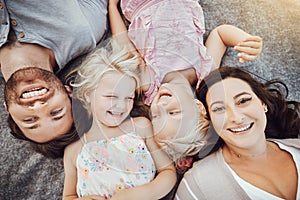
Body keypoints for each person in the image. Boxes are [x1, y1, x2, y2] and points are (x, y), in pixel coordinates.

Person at [108, 0, 263, 163]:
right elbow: (220, 35)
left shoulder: (150, 84)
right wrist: (245, 40)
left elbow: (124, 45)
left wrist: (112, 7)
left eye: (155, 115)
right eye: (173, 112)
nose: (161, 104)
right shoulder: (206, 74)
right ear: (198, 107)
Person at [63, 40, 176, 199]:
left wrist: (141, 194)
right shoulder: (74, 150)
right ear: (88, 94)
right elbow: (68, 196)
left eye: (128, 98)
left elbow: (168, 172)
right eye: (111, 96)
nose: (121, 106)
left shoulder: (140, 127)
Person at [0, 0, 108, 158]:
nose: (38, 106)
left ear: (7, 109)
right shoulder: (85, 32)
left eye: (30, 120)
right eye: (56, 112)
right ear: (68, 92)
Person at [175, 67, 300, 199]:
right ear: (211, 120)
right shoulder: (197, 184)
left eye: (243, 101)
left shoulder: (296, 147)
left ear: (262, 103)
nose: (236, 117)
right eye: (219, 109)